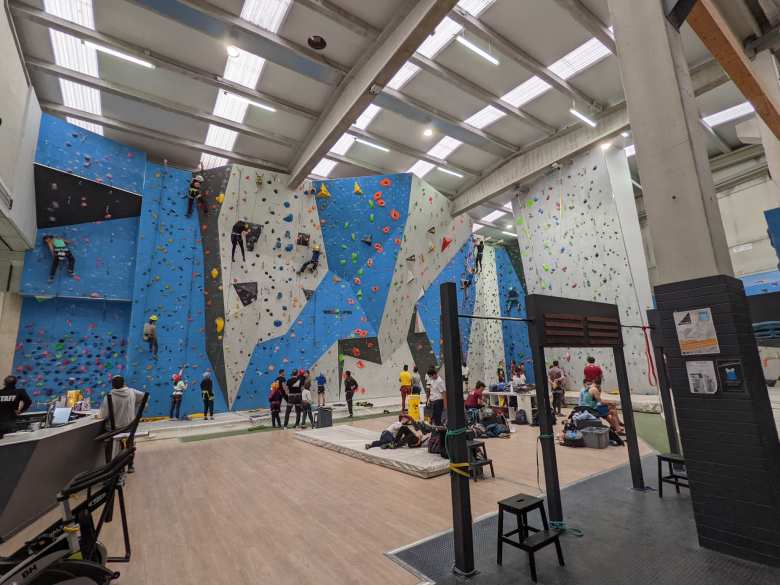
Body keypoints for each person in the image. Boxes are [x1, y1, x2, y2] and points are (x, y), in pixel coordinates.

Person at [97, 375, 145, 471]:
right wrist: (134, 405)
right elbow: (144, 396)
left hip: (114, 430)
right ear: (124, 383)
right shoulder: (132, 392)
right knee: (130, 442)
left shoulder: (109, 396)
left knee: (103, 437)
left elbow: (103, 415)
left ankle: (110, 464)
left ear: (112, 385)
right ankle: (130, 465)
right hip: (129, 428)